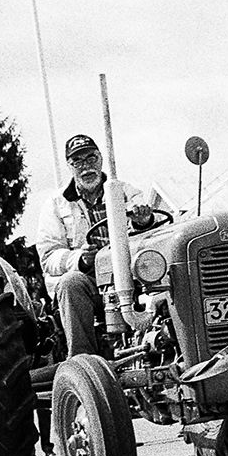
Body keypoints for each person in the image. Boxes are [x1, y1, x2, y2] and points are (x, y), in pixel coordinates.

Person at [36, 134, 168, 357]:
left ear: (100, 159)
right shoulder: (56, 204)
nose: (86, 167)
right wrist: (79, 258)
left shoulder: (126, 192)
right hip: (90, 284)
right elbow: (48, 257)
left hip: (134, 278)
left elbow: (154, 235)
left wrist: (144, 220)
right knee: (71, 283)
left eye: (90, 158)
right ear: (69, 166)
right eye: (78, 161)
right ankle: (83, 361)